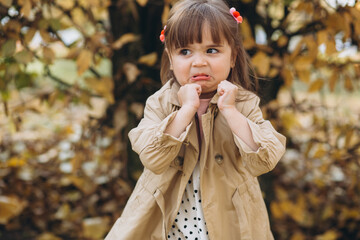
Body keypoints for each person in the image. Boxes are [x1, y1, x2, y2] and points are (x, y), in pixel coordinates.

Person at [105, 0, 286, 239]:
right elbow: (152, 157)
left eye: (212, 50)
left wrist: (231, 112)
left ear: (232, 57)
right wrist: (186, 110)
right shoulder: (160, 102)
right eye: (185, 52)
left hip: (229, 221)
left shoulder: (243, 103)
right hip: (171, 221)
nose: (199, 62)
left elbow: (265, 159)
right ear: (170, 58)